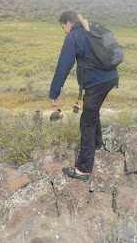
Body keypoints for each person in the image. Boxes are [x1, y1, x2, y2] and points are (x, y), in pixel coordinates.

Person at [49, 10, 119, 181]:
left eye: (63, 27)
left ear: (68, 23)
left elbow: (62, 67)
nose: (64, 31)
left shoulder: (74, 36)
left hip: (97, 83)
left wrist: (53, 93)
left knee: (86, 121)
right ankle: (97, 144)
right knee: (91, 110)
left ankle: (84, 169)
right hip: (111, 78)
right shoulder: (93, 29)